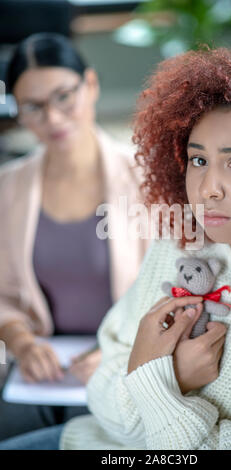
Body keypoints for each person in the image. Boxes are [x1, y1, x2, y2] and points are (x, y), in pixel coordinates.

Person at [0, 44, 231, 450]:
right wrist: (163, 376)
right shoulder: (180, 243)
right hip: (91, 439)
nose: (209, 188)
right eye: (198, 160)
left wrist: (153, 376)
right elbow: (104, 383)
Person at [0, 32, 150, 440]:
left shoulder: (147, 178)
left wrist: (118, 351)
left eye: (64, 96)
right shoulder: (8, 188)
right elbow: (4, 298)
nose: (52, 118)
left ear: (91, 85)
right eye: (33, 107)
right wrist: (22, 343)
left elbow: (175, 286)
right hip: (42, 375)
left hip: (131, 362)